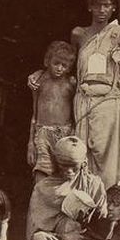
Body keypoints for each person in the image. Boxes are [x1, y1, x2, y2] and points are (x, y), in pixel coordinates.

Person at [29, 0, 120, 202]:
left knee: (112, 165)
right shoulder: (78, 34)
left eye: (108, 5)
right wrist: (39, 75)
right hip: (83, 103)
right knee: (84, 160)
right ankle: (87, 214)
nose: (103, 10)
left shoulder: (118, 35)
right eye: (98, 4)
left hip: (111, 105)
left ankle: (113, 212)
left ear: (113, 7)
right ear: (89, 5)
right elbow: (66, 68)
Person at [25, 135, 108, 240]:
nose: (69, 171)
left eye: (74, 166)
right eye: (64, 166)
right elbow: (35, 231)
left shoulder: (94, 184)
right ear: (55, 163)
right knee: (39, 239)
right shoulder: (43, 188)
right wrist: (65, 237)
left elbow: (102, 226)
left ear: (83, 163)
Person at [27, 41, 77, 184]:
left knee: (65, 174)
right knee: (41, 171)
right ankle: (38, 204)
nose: (59, 68)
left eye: (64, 65)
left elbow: (76, 111)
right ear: (47, 61)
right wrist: (30, 143)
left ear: (69, 68)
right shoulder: (39, 81)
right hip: (42, 133)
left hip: (65, 133)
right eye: (56, 63)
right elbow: (34, 113)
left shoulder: (71, 84)